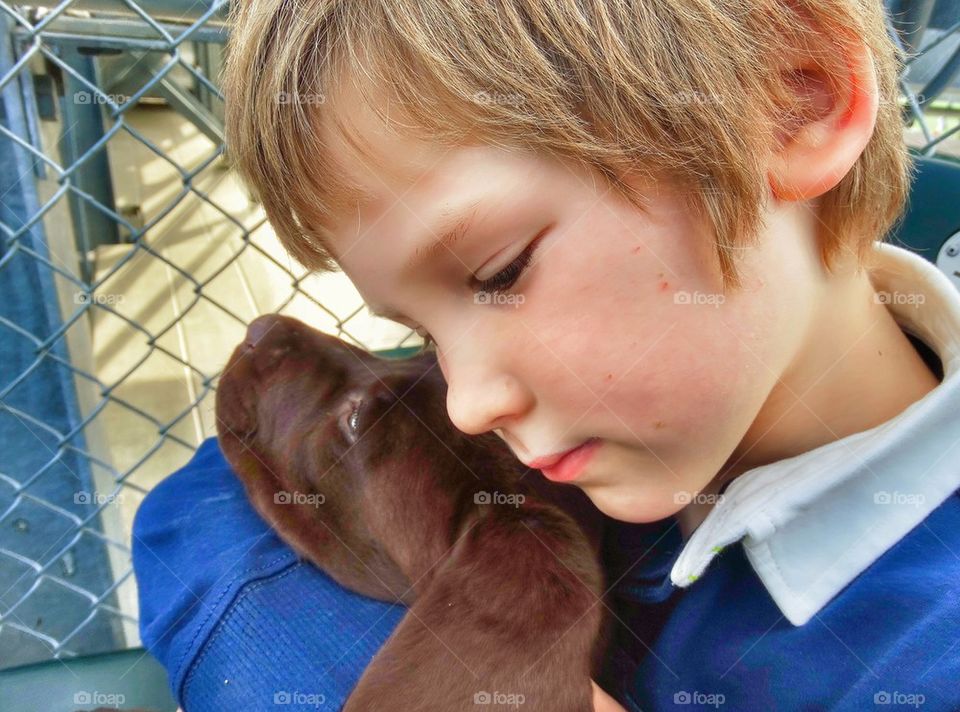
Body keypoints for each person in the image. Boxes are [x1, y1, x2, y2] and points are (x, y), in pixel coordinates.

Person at [133, 1, 960, 710]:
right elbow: (191, 509)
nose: (465, 404)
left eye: (499, 274)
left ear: (794, 99)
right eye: (425, 331)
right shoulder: (579, 420)